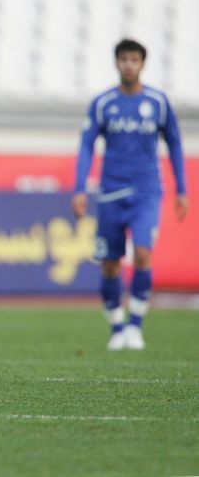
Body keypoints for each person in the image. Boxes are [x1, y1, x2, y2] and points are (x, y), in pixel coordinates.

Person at [72, 38, 188, 351]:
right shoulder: (103, 103)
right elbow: (86, 145)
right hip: (110, 192)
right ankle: (117, 328)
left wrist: (182, 189)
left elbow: (175, 144)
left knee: (142, 253)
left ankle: (135, 325)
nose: (129, 65)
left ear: (142, 64)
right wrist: (79, 188)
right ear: (117, 63)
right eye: (124, 59)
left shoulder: (157, 103)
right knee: (110, 263)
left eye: (134, 60)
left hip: (146, 191)